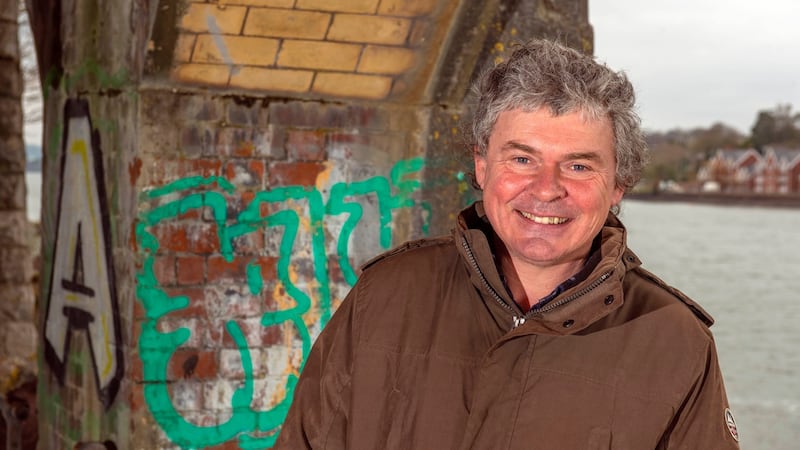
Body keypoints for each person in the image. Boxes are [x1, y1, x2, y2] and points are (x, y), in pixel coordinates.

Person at [274, 39, 739, 449]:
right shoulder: (386, 296)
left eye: (578, 166)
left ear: (618, 184)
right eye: (522, 158)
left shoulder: (675, 342)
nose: (545, 188)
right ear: (481, 166)